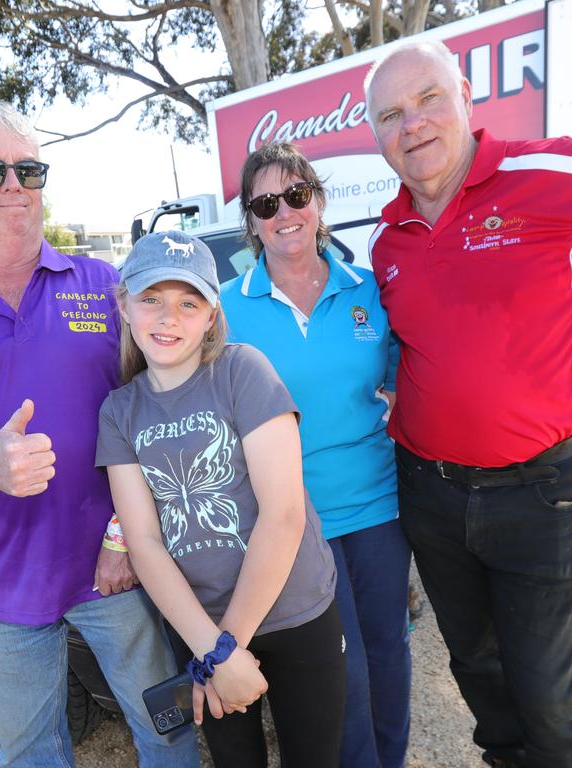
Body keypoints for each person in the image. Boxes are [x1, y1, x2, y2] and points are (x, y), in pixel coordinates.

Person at [0, 103, 199, 768]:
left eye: (29, 169)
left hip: (114, 568)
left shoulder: (104, 286)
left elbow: (162, 414)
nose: (14, 186)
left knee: (167, 728)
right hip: (0, 585)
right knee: (30, 752)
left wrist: (123, 536)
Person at [364, 40, 572, 768]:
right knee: (477, 672)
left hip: (543, 493)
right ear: (376, 136)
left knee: (551, 695)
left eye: (427, 100)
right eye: (390, 114)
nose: (412, 124)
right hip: (430, 494)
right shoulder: (386, 241)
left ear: (465, 98)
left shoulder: (547, 171)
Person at [95, 230, 346, 768]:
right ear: (124, 306)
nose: (169, 318)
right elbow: (144, 542)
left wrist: (223, 653)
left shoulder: (241, 370)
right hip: (200, 624)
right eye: (151, 300)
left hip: (294, 612)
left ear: (212, 314)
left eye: (189, 303)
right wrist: (211, 650)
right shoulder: (119, 412)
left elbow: (282, 517)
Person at [219, 142, 411, 768]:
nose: (284, 213)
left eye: (296, 195)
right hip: (291, 522)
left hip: (378, 508)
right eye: (266, 203)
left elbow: (405, 367)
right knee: (344, 674)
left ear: (319, 201)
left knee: (388, 656)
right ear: (251, 220)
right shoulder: (227, 305)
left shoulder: (368, 288)